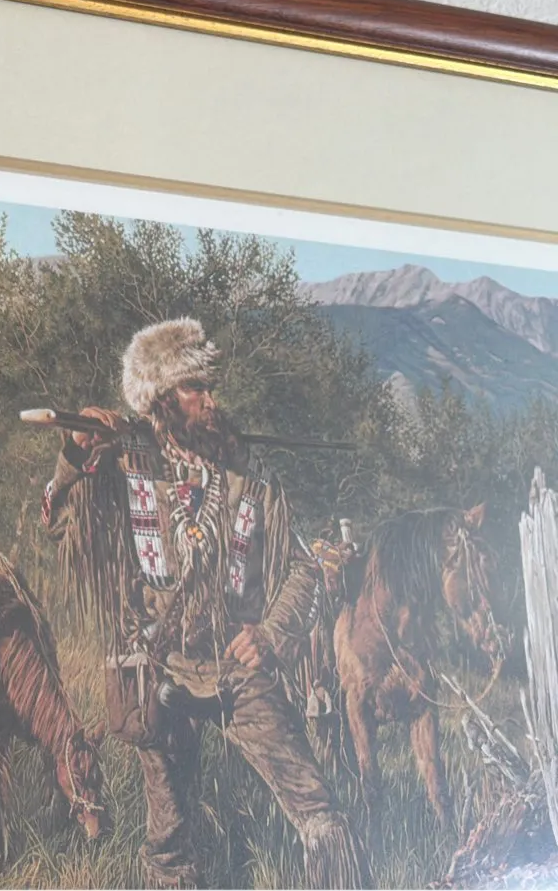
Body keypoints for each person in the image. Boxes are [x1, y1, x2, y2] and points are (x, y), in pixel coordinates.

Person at [40, 317, 370, 890]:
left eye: (209, 387)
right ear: (162, 399)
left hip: (234, 665)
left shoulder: (249, 473)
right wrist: (74, 455)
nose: (210, 401)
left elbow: (300, 568)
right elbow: (60, 524)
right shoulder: (124, 465)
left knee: (316, 806)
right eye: (195, 389)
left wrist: (270, 635)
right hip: (159, 668)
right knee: (168, 834)